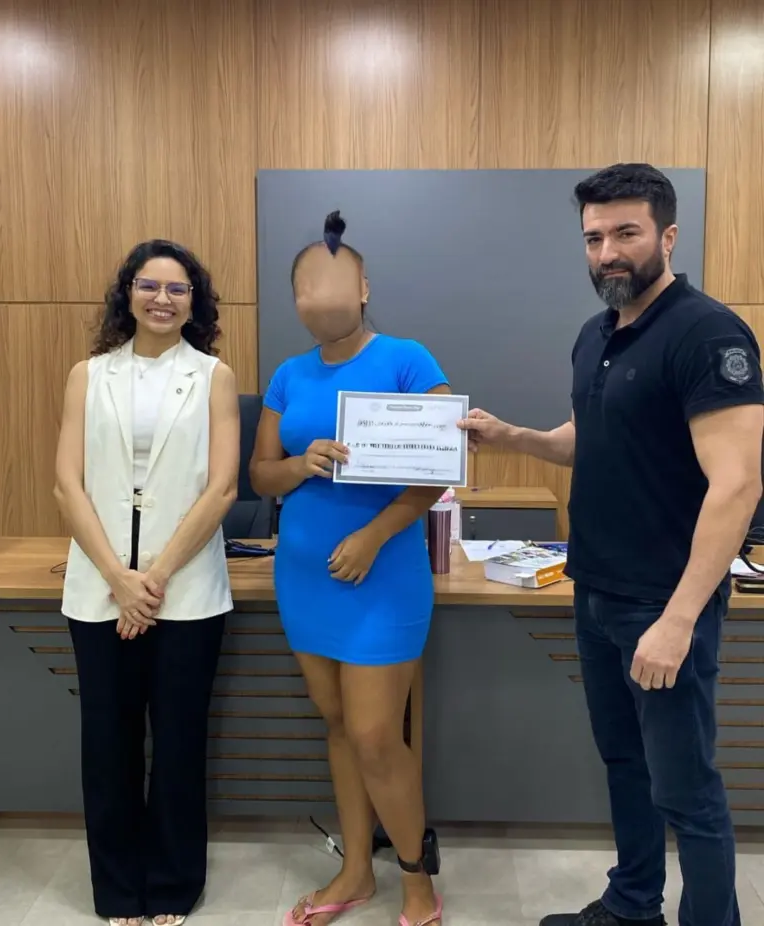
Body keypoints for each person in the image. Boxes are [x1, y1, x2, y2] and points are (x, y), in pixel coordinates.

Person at [459, 164, 764, 926]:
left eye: (625, 233)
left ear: (668, 235)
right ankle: (633, 906)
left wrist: (679, 619)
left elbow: (737, 484)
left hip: (663, 604)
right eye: (593, 238)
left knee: (686, 791)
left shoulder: (707, 334)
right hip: (593, 591)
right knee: (625, 765)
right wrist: (514, 437)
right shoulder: (596, 333)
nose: (607, 253)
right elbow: (587, 439)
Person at [251, 211, 446, 926]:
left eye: (335, 282)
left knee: (374, 734)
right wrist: (301, 463)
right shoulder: (287, 375)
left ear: (364, 288)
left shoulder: (407, 359)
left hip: (382, 573)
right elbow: (261, 475)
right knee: (338, 726)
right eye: (306, 286)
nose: (320, 296)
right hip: (304, 577)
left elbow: (437, 471)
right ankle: (356, 870)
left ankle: (417, 879)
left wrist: (373, 535)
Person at [54, 240, 240, 926]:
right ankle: (116, 888)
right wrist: (118, 577)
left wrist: (153, 579)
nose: (162, 299)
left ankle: (172, 884)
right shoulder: (88, 374)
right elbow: (66, 484)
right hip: (99, 587)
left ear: (195, 302)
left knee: (180, 742)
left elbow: (222, 488)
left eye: (177, 289)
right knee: (108, 744)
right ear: (127, 293)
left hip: (185, 589)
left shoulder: (213, 376)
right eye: (149, 285)